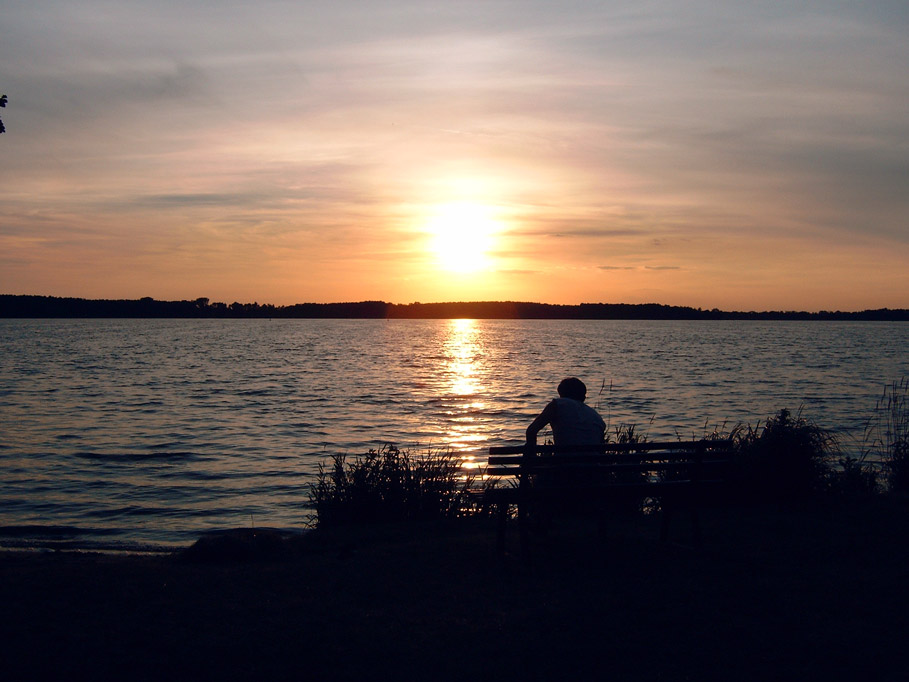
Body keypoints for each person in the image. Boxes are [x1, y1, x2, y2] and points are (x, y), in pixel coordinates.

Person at [526, 377, 606, 449]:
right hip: (592, 464)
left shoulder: (557, 405)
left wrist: (532, 459)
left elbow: (531, 431)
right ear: (583, 397)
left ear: (561, 393)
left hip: (564, 463)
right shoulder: (597, 417)